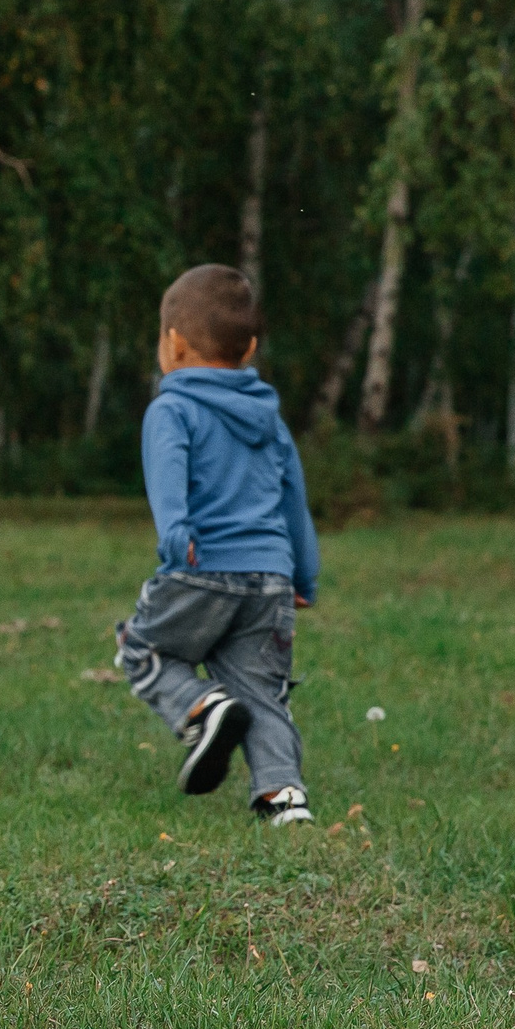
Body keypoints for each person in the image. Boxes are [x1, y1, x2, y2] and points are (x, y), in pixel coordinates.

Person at [115, 264, 319, 824]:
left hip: (202, 565)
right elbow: (294, 503)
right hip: (271, 578)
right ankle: (284, 799)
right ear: (249, 349)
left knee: (141, 649)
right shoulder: (271, 422)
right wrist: (304, 576)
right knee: (262, 688)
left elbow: (168, 481)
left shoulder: (172, 409)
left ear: (173, 343)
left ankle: (203, 707)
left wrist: (175, 539)